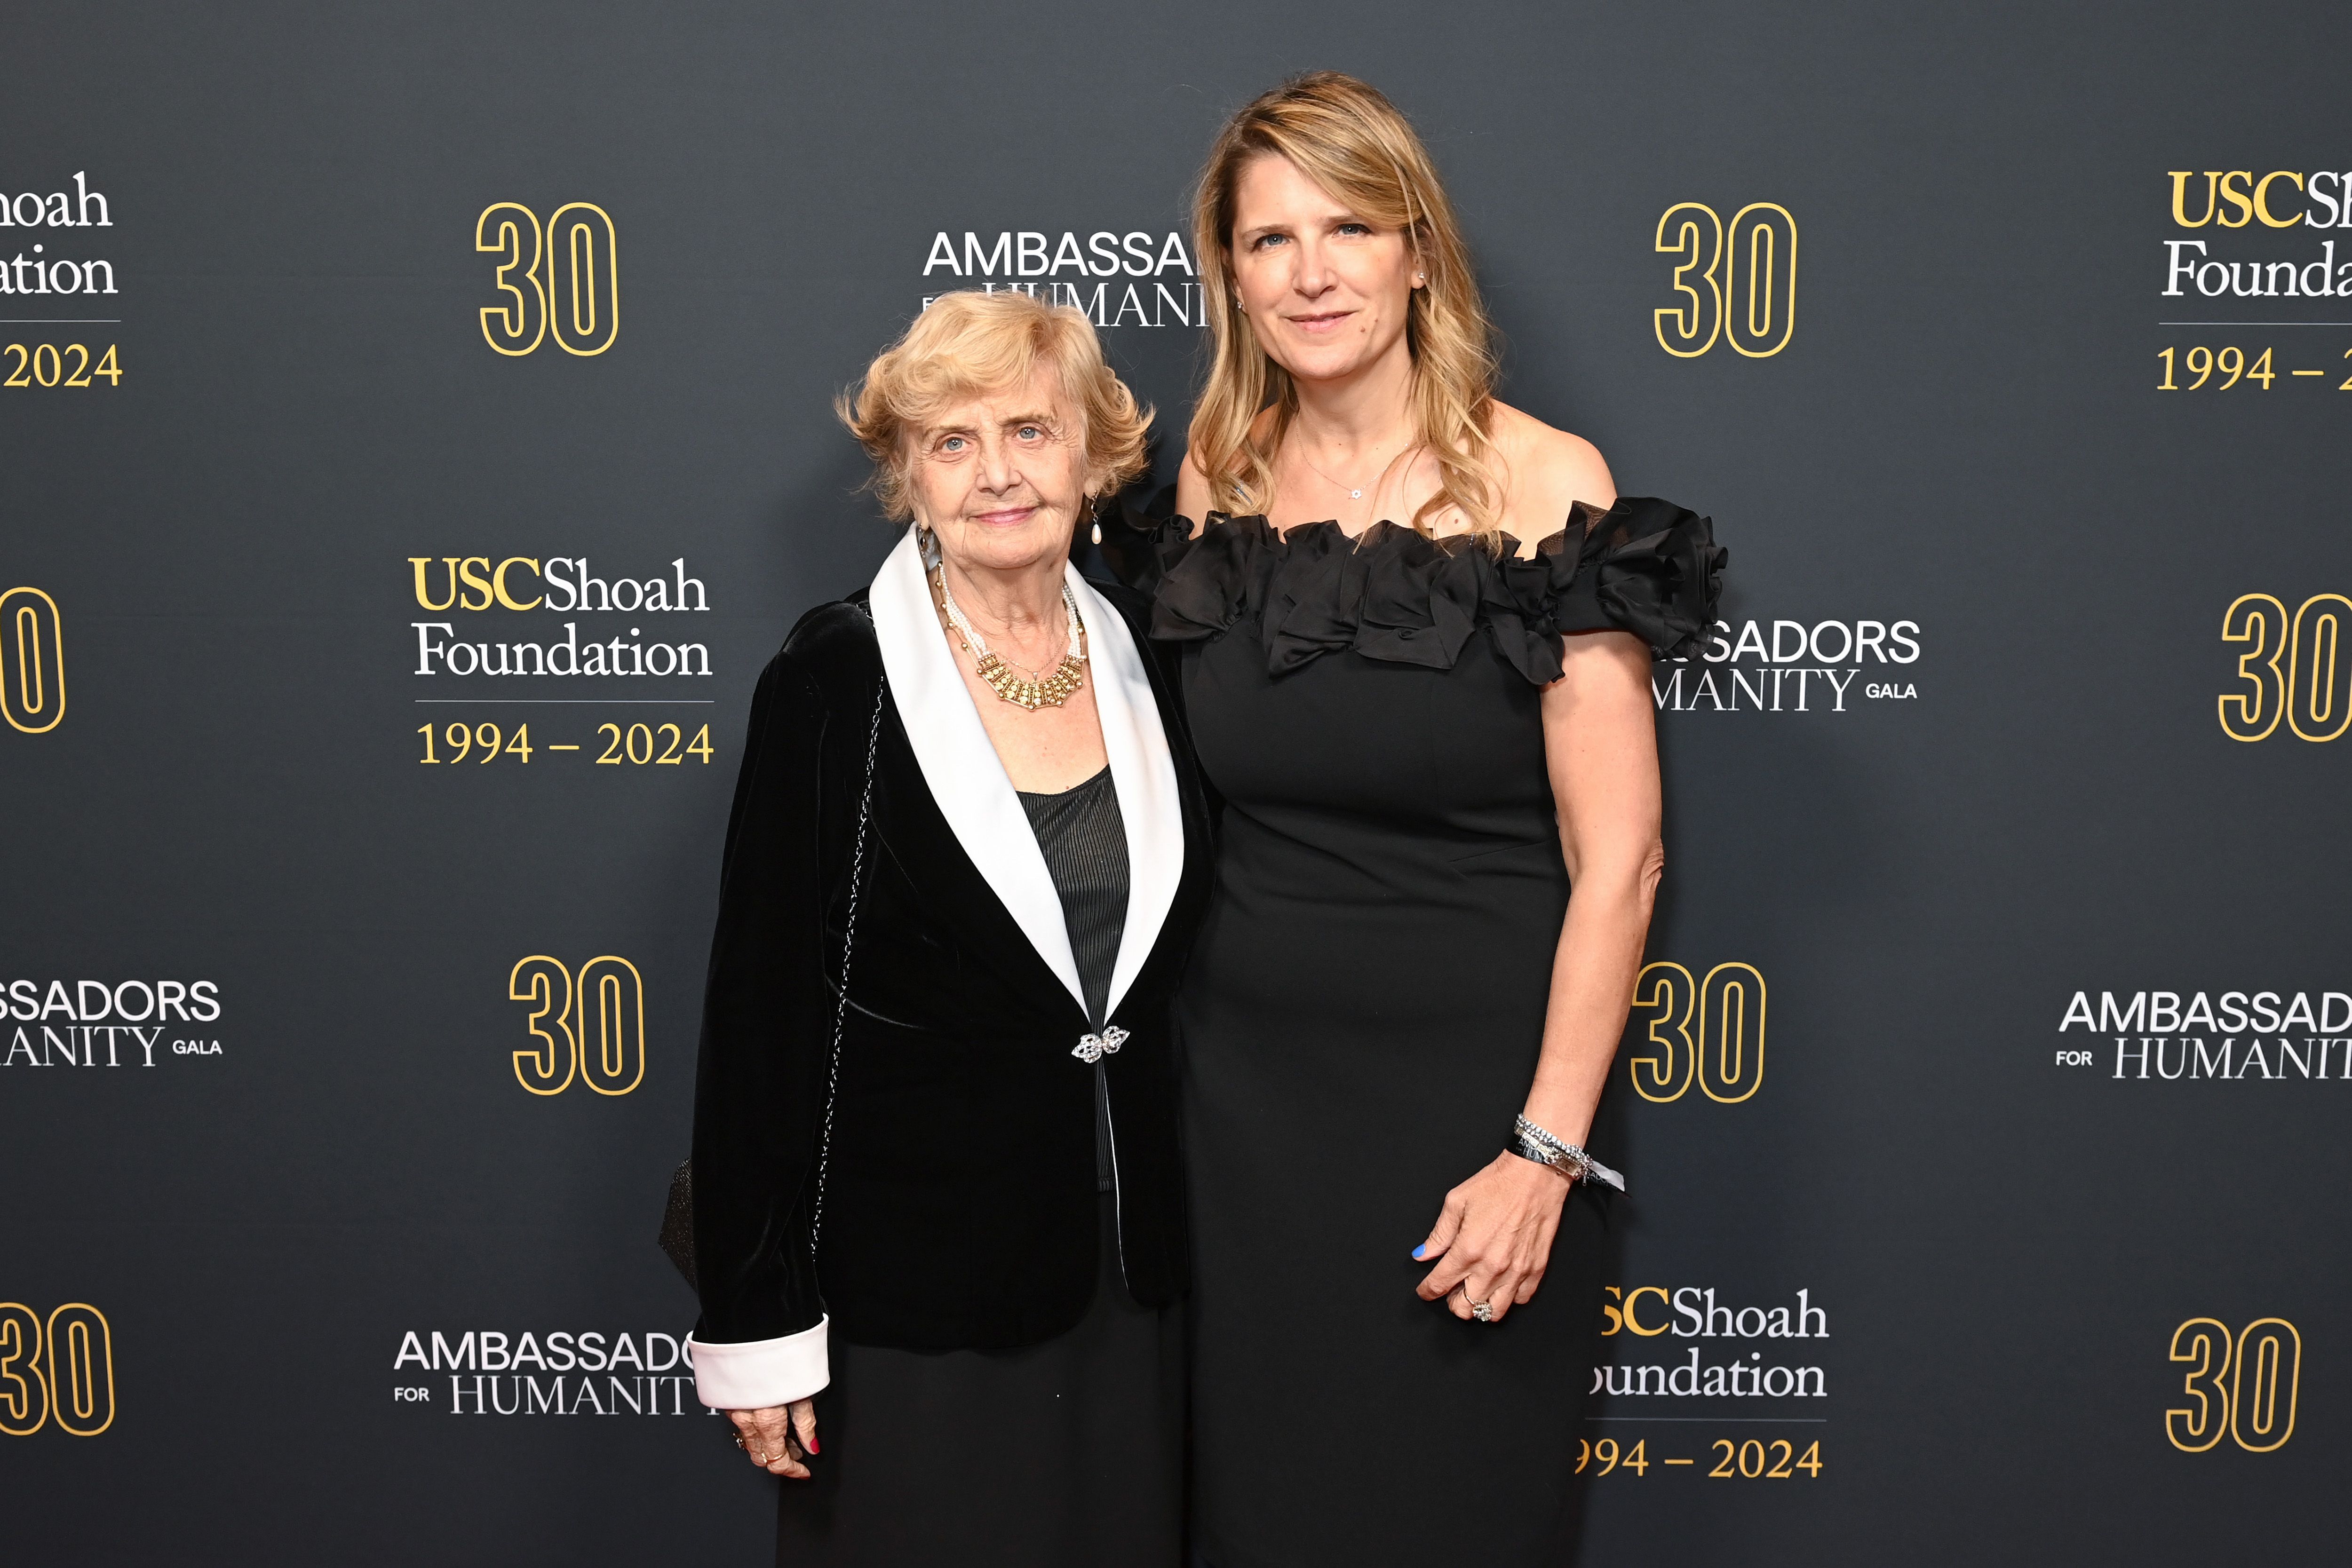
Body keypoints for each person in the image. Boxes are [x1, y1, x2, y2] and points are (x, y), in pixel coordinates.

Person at [1112, 72, 1725, 1564]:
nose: (1311, 273)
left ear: (1418, 253)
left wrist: (1543, 1153)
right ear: (1230, 274)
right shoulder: (1212, 482)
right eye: (1270, 240)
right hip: (1241, 1122)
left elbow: (1622, 858)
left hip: (1478, 1119)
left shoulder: (1547, 480)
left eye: (1349, 229)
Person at [685, 290, 1212, 1567]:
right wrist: (760, 1321)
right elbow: (760, 1018)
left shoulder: (1157, 653)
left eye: (1030, 431)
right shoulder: (836, 679)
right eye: (953, 442)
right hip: (913, 1303)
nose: (998, 474)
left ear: (1091, 454)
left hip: (1129, 1277)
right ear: (908, 478)